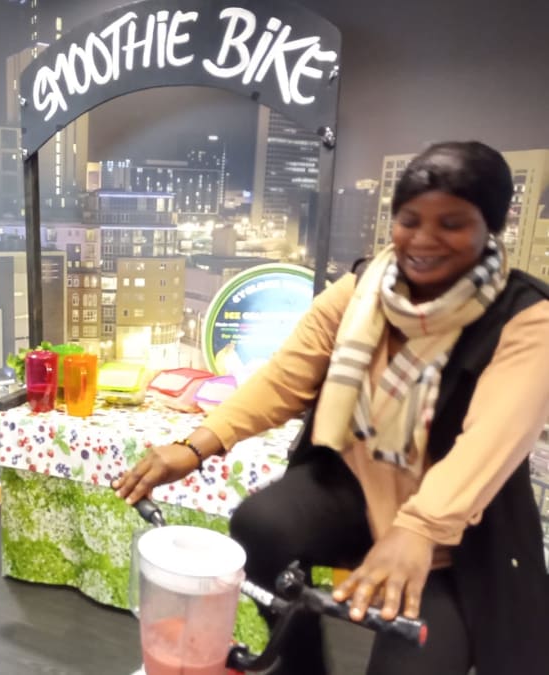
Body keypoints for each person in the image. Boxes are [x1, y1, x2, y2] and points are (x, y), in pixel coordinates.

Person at [113, 141, 549, 675]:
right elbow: (284, 378)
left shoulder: (525, 319)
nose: (423, 240)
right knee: (261, 524)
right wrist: (195, 446)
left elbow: (488, 443)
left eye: (452, 224)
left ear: (494, 225)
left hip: (453, 535)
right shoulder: (363, 289)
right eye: (409, 221)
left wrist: (418, 530)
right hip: (359, 492)